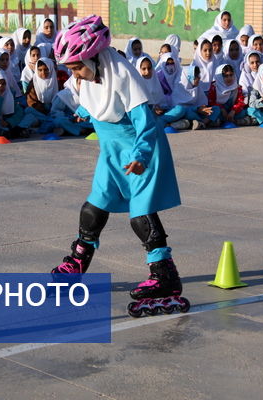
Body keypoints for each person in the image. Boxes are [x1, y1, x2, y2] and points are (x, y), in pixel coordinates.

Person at [51, 15, 188, 315]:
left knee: (140, 216)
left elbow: (146, 124)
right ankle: (77, 263)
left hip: (138, 151)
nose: (75, 74)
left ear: (94, 57)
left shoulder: (124, 75)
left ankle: (165, 277)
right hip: (111, 153)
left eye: (76, 67)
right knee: (93, 208)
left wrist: (140, 157)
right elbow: (100, 108)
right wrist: (86, 116)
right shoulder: (90, 76)